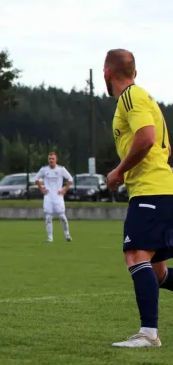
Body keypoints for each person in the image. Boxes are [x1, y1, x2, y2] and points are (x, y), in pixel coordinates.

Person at [104, 48, 173, 348]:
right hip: (160, 189)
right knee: (156, 272)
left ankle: (148, 334)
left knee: (136, 255)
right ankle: (148, 332)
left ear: (108, 73)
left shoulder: (130, 97)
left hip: (151, 191)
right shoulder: (146, 100)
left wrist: (119, 171)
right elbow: (165, 150)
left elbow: (146, 138)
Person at [34, 152, 73, 242]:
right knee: (48, 217)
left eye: (53, 159)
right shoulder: (44, 170)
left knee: (62, 216)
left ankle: (67, 234)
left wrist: (64, 189)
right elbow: (36, 179)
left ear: (56, 160)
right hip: (48, 196)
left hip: (58, 196)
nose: (51, 160)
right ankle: (50, 237)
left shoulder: (61, 169)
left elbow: (70, 179)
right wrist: (41, 189)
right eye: (49, 159)